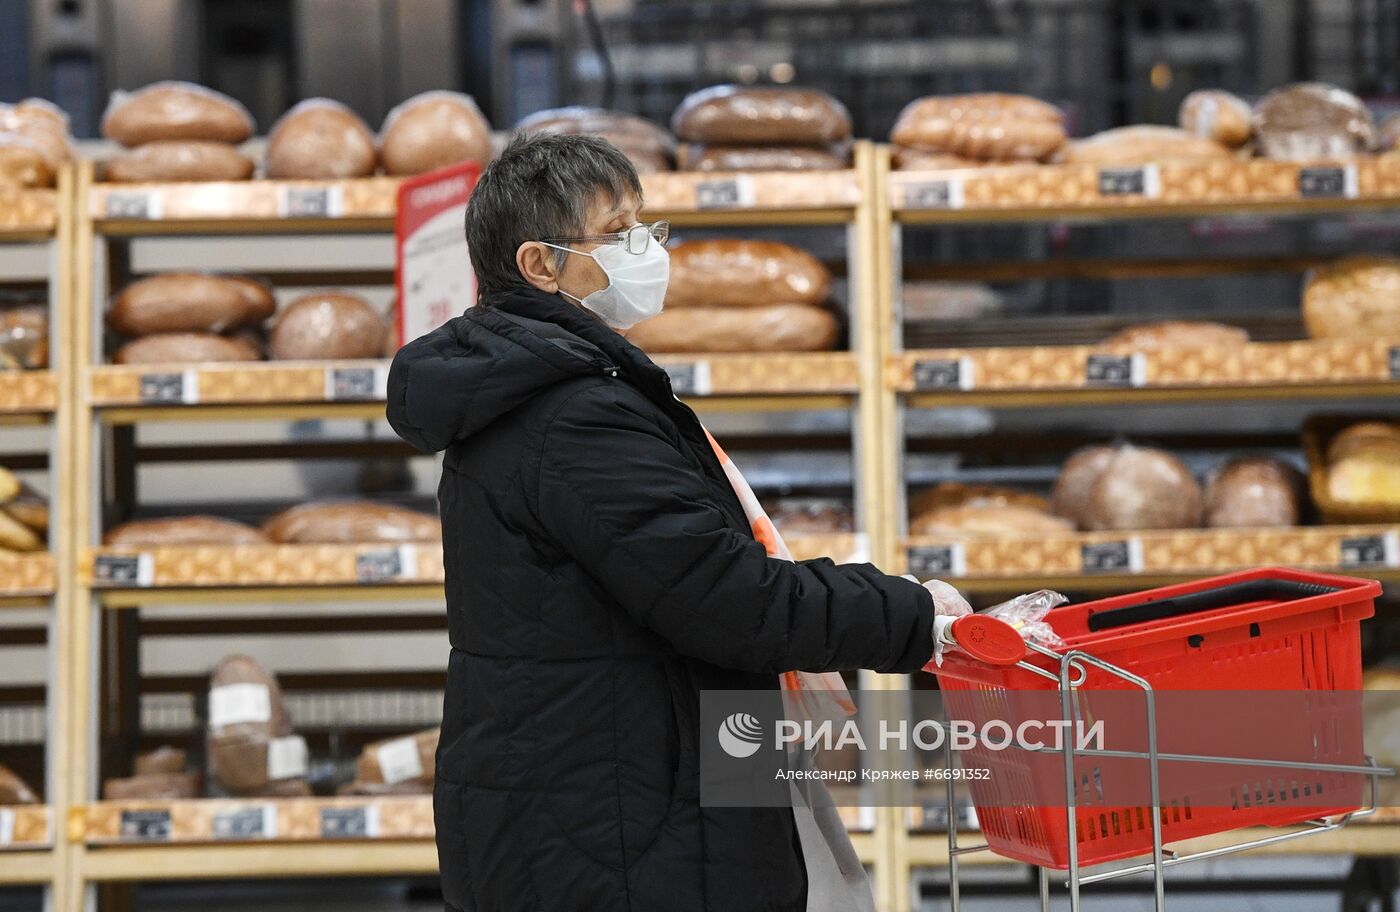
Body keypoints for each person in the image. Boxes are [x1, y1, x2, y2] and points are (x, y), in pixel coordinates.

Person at [387, 132, 971, 912]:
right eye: (618, 232)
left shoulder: (546, 392)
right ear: (540, 266)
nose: (646, 249)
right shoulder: (573, 416)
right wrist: (913, 615)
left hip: (594, 802)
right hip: (614, 829)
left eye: (648, 227)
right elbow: (727, 599)